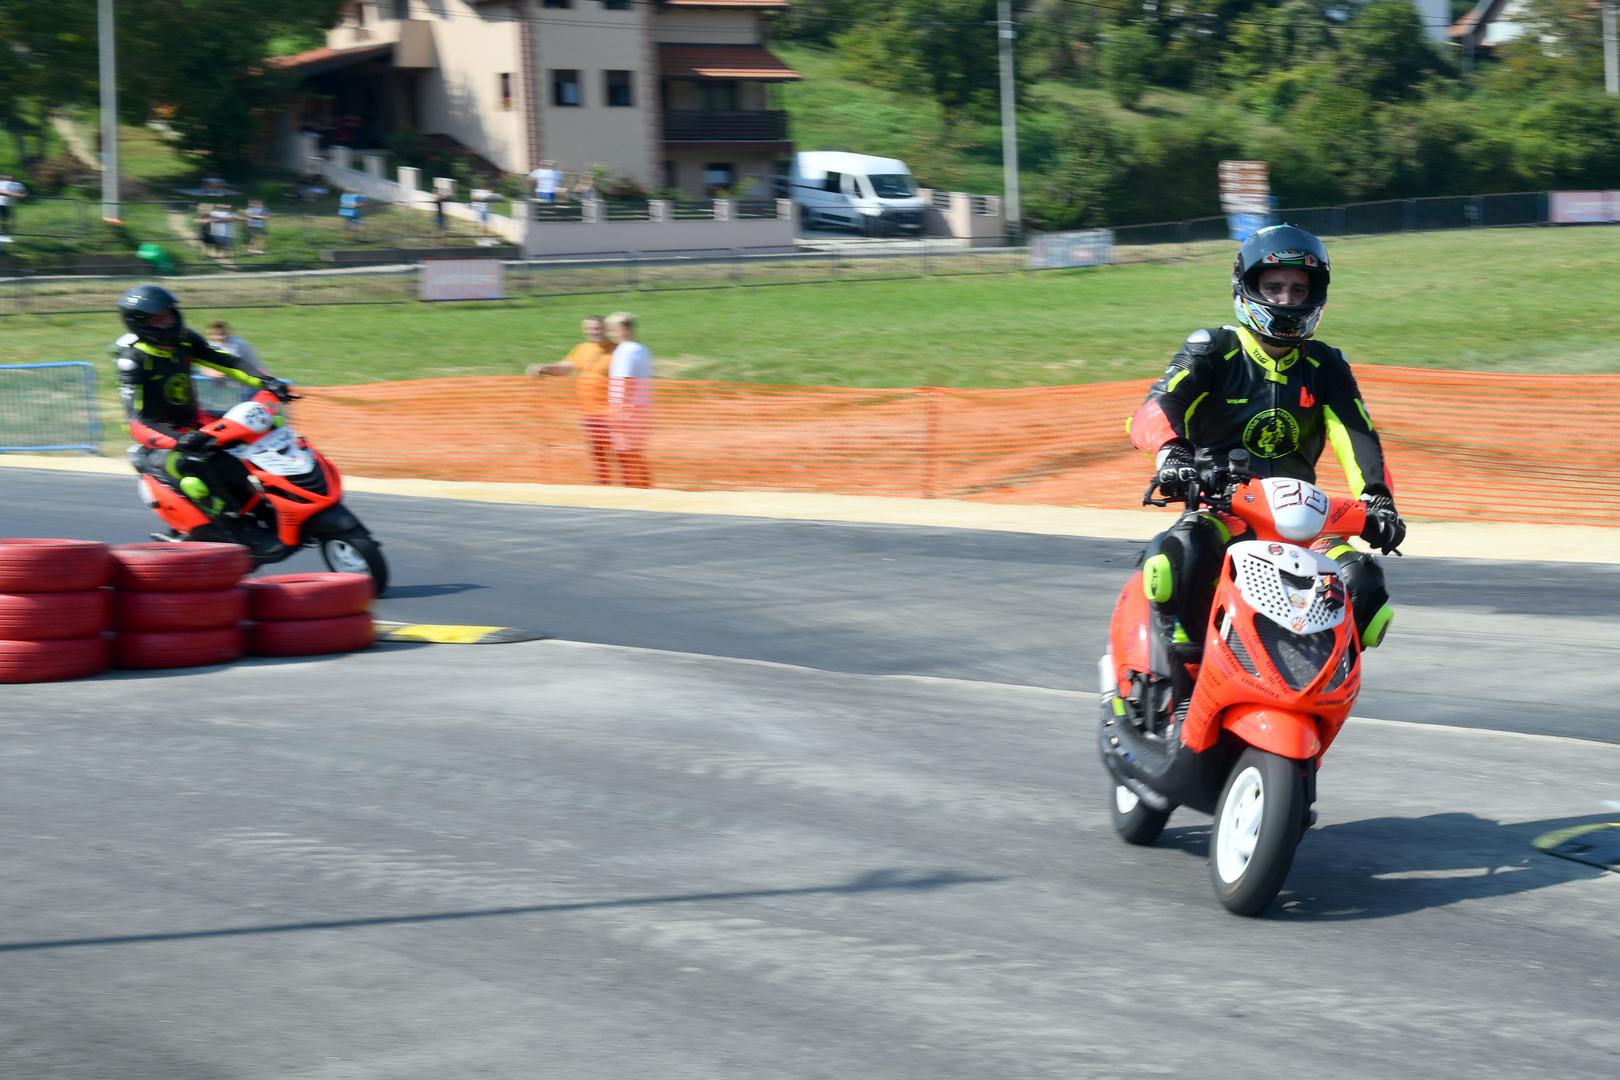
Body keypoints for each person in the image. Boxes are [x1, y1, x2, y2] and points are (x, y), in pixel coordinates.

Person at [1126, 223, 1405, 689]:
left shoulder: (1326, 365)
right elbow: (1157, 407)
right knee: (1182, 555)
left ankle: (1318, 691)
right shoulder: (1213, 349)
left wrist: (1377, 498)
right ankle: (1182, 678)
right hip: (1221, 512)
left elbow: (1355, 432)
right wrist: (1172, 454)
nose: (1286, 300)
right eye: (1273, 287)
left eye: (1298, 290)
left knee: (1363, 584)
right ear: (1246, 287)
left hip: (1301, 526)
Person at [113, 285, 296, 558]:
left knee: (241, 449)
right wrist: (178, 440)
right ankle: (231, 526)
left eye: (169, 314)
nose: (168, 322)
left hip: (192, 424)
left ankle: (263, 509)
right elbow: (136, 421)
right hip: (161, 440)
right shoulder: (133, 360)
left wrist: (268, 381)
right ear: (140, 324)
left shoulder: (184, 339)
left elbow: (227, 362)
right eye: (158, 319)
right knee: (191, 469)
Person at [527, 315, 617, 484]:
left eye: (597, 328)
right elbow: (564, 369)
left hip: (614, 414)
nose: (594, 332)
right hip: (591, 413)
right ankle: (605, 487)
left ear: (605, 328)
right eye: (589, 328)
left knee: (622, 453)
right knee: (598, 453)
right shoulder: (581, 349)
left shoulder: (617, 350)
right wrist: (544, 368)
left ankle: (633, 488)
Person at [604, 311, 655, 488]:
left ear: (624, 329)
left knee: (625, 454)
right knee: (635, 453)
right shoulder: (642, 349)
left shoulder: (626, 350)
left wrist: (618, 411)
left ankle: (633, 490)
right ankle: (644, 489)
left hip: (628, 411)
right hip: (640, 409)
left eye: (612, 329)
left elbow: (625, 380)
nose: (610, 334)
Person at [0, 174, 26, 240]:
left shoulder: (18, 184)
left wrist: (21, 195)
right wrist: (17, 195)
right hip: (1, 204)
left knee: (9, 220)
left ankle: (7, 234)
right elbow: (2, 192)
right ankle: (4, 234)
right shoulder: (1, 183)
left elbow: (24, 194)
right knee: (3, 220)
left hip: (11, 205)